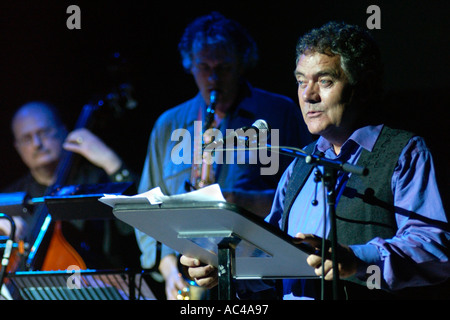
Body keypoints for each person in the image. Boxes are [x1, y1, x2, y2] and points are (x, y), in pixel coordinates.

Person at [180, 21, 450, 300]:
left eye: (324, 81)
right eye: (301, 81)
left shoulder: (404, 152)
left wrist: (356, 260)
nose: (308, 95)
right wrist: (225, 268)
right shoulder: (299, 166)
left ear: (362, 87)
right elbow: (270, 260)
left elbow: (433, 248)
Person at [135, 12, 311, 300]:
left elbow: (306, 196)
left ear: (242, 63)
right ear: (189, 64)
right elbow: (149, 201)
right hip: (188, 277)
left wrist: (237, 201)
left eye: (225, 68)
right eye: (204, 67)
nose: (213, 78)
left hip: (260, 278)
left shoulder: (280, 112)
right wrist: (167, 267)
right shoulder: (169, 124)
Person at [0, 101, 141, 270]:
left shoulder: (97, 180)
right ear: (17, 147)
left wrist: (111, 161)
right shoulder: (11, 196)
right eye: (26, 138)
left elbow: (142, 221)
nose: (37, 144)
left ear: (63, 131)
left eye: (44, 132)